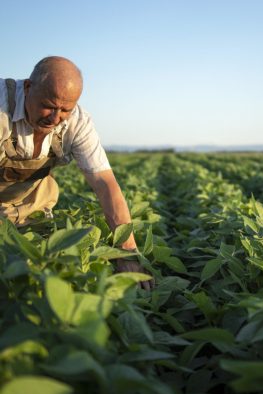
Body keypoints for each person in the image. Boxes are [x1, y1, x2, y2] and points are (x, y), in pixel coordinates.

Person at [0, 56, 154, 290]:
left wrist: (127, 253)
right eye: (49, 106)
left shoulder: (78, 123)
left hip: (30, 209)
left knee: (43, 276)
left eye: (65, 110)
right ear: (28, 87)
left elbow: (105, 184)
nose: (55, 117)